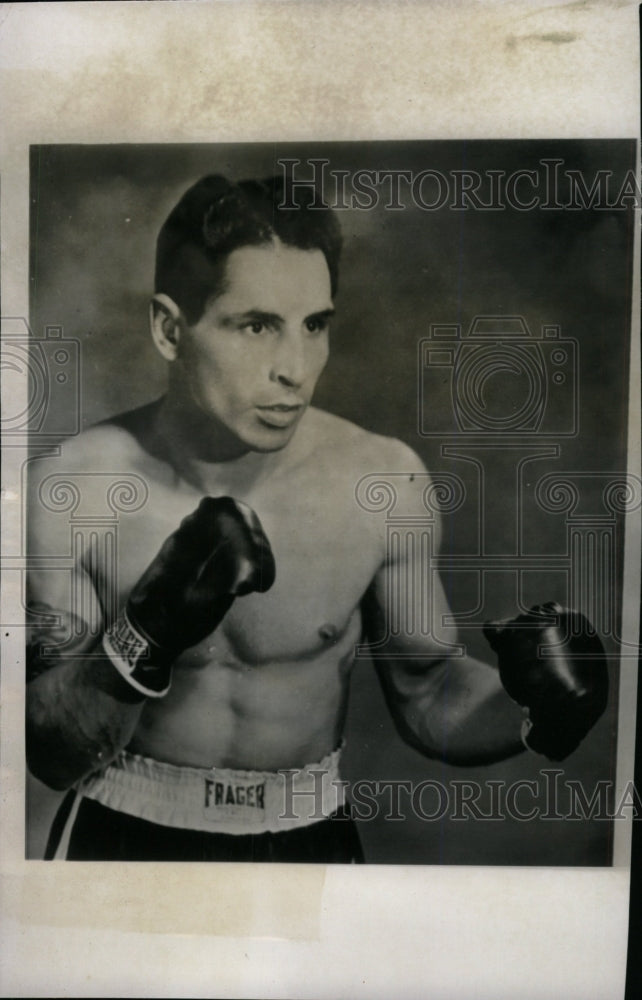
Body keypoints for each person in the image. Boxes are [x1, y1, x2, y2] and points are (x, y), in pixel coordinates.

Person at [26, 174, 608, 862]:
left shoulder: (382, 481)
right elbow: (53, 750)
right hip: (124, 829)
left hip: (309, 833)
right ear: (168, 328)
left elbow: (428, 692)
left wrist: (536, 711)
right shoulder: (73, 487)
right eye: (256, 326)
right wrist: (144, 631)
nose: (295, 369)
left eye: (315, 326)